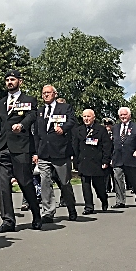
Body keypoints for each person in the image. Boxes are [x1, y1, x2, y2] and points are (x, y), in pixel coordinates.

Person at [0, 70, 42, 232]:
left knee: (25, 182)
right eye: (7, 80)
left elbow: (32, 115)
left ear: (20, 81)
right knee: (3, 185)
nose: (9, 82)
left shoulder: (29, 100)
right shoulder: (0, 103)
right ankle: (8, 221)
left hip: (20, 148)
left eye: (12, 79)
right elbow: (0, 125)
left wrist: (22, 125)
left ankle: (36, 214)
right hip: (2, 148)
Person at [35, 84, 78, 222]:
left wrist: (64, 129)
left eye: (48, 92)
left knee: (64, 183)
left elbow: (72, 121)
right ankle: (48, 212)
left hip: (60, 152)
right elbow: (36, 132)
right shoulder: (40, 111)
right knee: (45, 182)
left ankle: (71, 208)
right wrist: (35, 152)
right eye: (43, 93)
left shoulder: (64, 108)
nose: (45, 95)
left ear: (55, 94)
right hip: (43, 153)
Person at [72, 109, 111, 214]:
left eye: (88, 116)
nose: (86, 119)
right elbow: (75, 147)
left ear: (93, 117)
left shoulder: (101, 130)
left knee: (99, 186)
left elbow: (107, 146)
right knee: (85, 185)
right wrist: (76, 162)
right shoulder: (78, 130)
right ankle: (88, 207)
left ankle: (104, 199)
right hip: (83, 162)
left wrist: (105, 161)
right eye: (84, 116)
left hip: (97, 162)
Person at [111, 107, 136, 207]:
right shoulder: (115, 128)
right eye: (121, 115)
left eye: (125, 114)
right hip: (118, 158)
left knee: (135, 180)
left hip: (132, 158)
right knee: (117, 178)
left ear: (129, 115)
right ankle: (120, 201)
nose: (123, 117)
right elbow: (112, 144)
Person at [102, 118, 116, 192]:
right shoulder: (103, 134)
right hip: (106, 155)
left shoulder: (115, 133)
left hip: (113, 155)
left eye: (108, 125)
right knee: (106, 173)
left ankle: (115, 187)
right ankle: (107, 187)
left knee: (114, 174)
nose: (107, 126)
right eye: (106, 125)